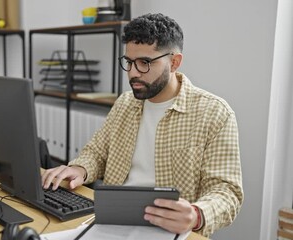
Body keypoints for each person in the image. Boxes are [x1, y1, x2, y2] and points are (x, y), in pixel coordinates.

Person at [42, 13, 243, 237]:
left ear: (174, 62)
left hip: (170, 230)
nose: (133, 73)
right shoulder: (125, 103)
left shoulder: (214, 113)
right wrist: (79, 169)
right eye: (129, 62)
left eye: (145, 63)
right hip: (112, 223)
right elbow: (97, 153)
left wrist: (197, 214)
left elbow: (227, 192)